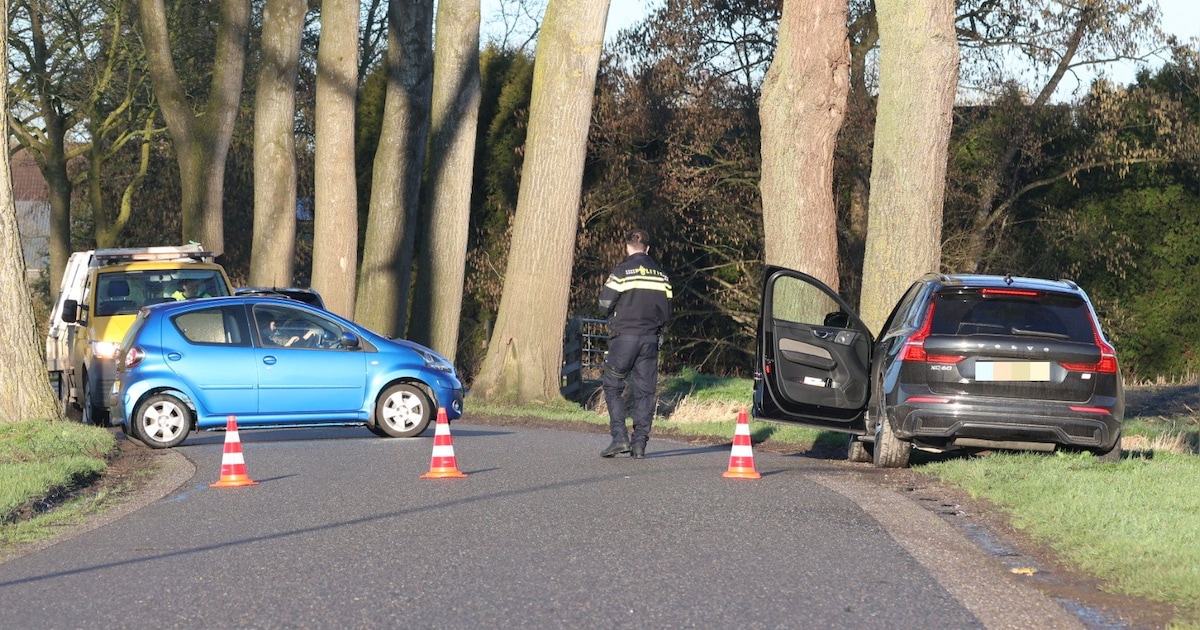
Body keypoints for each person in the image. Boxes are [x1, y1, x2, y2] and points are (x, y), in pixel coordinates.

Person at [597, 229, 672, 459]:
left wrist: (613, 319)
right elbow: (668, 312)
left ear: (627, 247)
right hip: (650, 340)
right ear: (648, 249)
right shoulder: (662, 276)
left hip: (624, 340)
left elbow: (604, 303)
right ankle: (639, 444)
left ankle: (620, 438)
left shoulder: (622, 272)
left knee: (612, 386)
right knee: (645, 392)